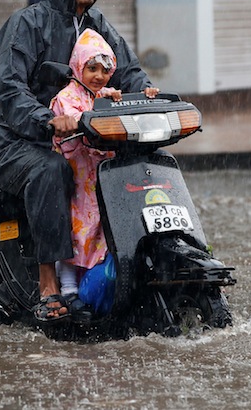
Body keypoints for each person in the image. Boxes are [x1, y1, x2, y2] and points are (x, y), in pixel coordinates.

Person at [0, 0, 154, 322]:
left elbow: (127, 71)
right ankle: (50, 285)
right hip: (20, 144)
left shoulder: (97, 26)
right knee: (52, 169)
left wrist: (147, 93)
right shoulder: (26, 23)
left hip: (86, 139)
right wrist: (49, 121)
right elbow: (10, 91)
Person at [49, 29, 159, 314]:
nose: (98, 76)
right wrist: (76, 121)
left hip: (105, 178)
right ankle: (70, 288)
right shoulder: (66, 97)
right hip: (79, 177)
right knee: (78, 233)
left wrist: (143, 95)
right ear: (78, 67)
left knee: (103, 230)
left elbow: (121, 103)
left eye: (105, 70)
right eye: (92, 68)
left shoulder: (103, 94)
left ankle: (101, 282)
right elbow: (72, 120)